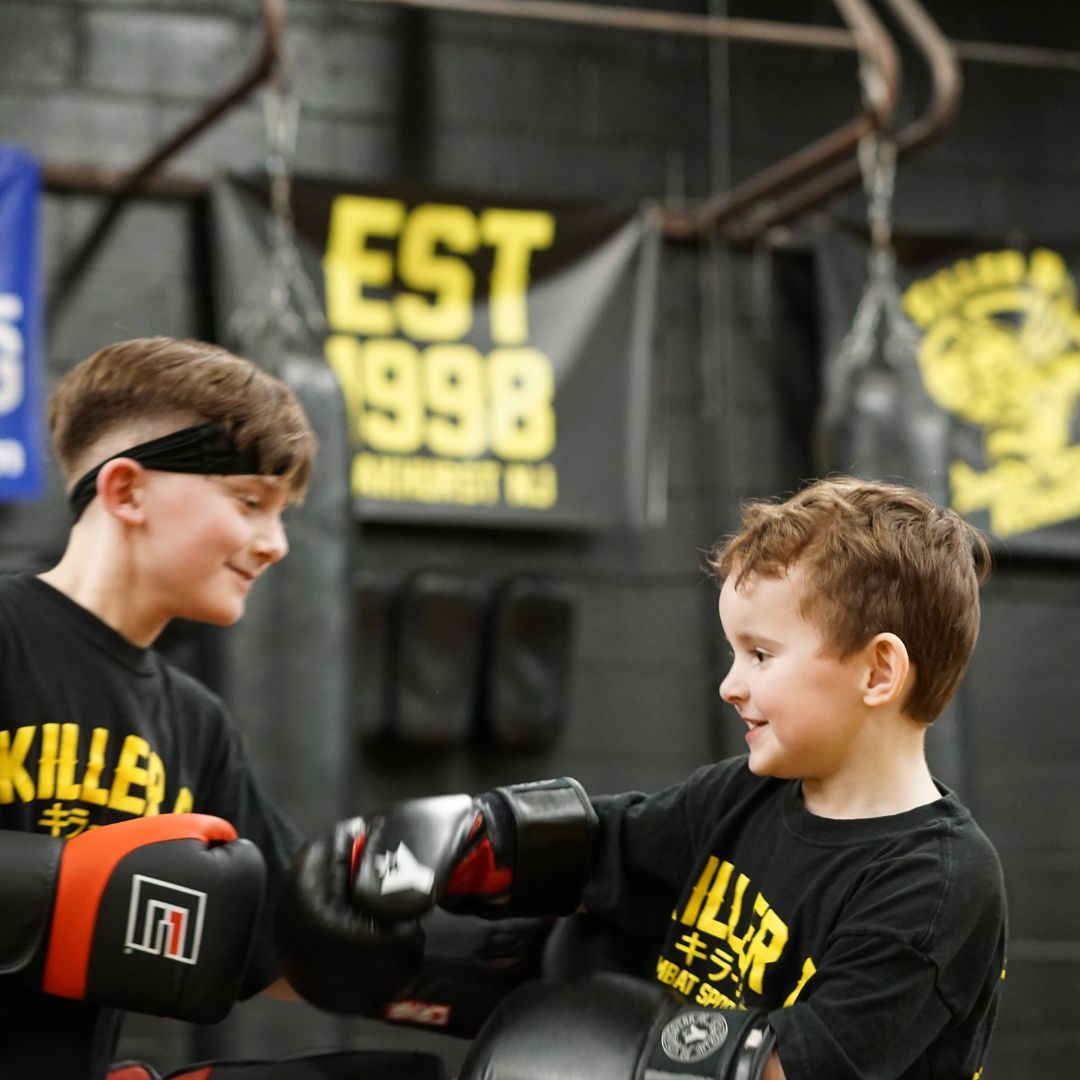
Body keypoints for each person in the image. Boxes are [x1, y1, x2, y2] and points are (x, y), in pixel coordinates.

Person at [278, 476, 1008, 1080]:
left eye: (760, 654)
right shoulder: (744, 794)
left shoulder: (937, 883)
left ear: (878, 671)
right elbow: (601, 848)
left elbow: (796, 1066)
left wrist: (609, 1058)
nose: (730, 684)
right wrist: (468, 847)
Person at [0, 336, 317, 1079]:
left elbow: (285, 946)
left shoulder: (194, 722)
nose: (274, 544)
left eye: (283, 513)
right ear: (127, 492)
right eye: (250, 502)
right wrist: (59, 888)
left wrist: (498, 956)